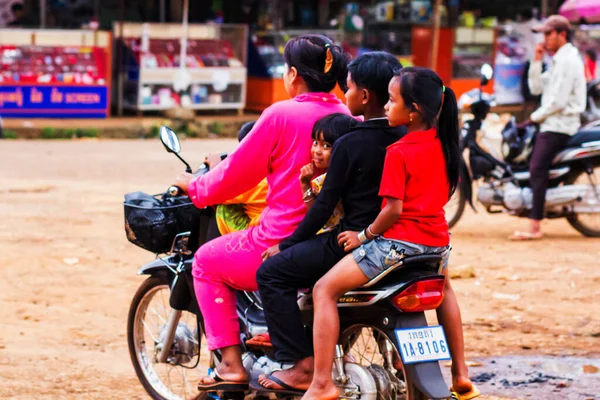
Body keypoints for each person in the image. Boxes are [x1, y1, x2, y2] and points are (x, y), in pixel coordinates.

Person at [172, 34, 350, 391]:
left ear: (294, 74)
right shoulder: (346, 113)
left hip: (280, 238)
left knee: (205, 262)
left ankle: (231, 366)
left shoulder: (281, 114)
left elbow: (235, 174)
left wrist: (196, 187)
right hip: (332, 239)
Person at [301, 67, 478, 400]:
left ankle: (321, 382)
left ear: (413, 111)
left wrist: (363, 235)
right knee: (446, 290)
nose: (385, 107)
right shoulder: (445, 146)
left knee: (324, 289)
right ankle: (460, 371)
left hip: (396, 246)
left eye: (392, 101)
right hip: (437, 245)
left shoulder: (398, 152)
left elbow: (393, 211)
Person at [256, 51, 405, 393]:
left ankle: (302, 366)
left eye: (349, 89)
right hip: (402, 241)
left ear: (365, 96)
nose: (344, 96)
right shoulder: (407, 137)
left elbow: (323, 206)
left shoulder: (352, 142)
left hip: (351, 242)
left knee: (271, 273)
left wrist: (287, 244)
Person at [511, 15, 586, 240]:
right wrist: (536, 60)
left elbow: (558, 102)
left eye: (548, 34)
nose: (544, 39)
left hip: (559, 125)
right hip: (551, 121)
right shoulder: (558, 60)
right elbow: (536, 88)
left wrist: (533, 118)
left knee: (537, 169)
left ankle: (535, 227)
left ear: (561, 34)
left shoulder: (567, 60)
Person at [207, 121, 269, 236]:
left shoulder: (256, 179)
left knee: (223, 207)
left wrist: (214, 165)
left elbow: (217, 191)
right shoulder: (280, 167)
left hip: (255, 232)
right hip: (272, 225)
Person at [300, 113, 359, 233]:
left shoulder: (332, 180)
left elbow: (317, 217)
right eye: (315, 143)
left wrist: (305, 184)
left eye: (326, 146)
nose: (317, 151)